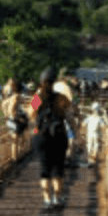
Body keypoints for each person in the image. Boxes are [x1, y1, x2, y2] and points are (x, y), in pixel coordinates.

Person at [32, 67, 72, 208]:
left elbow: (31, 114)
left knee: (44, 168)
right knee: (58, 169)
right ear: (54, 82)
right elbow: (69, 116)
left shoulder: (37, 98)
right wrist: (76, 134)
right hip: (59, 135)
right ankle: (57, 197)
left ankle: (47, 200)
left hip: (41, 135)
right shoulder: (62, 98)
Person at [82, 102, 108, 167]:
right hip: (96, 133)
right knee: (95, 146)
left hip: (90, 133)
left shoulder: (89, 118)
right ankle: (92, 160)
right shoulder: (99, 118)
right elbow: (103, 127)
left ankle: (90, 161)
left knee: (89, 146)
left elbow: (83, 124)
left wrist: (83, 133)